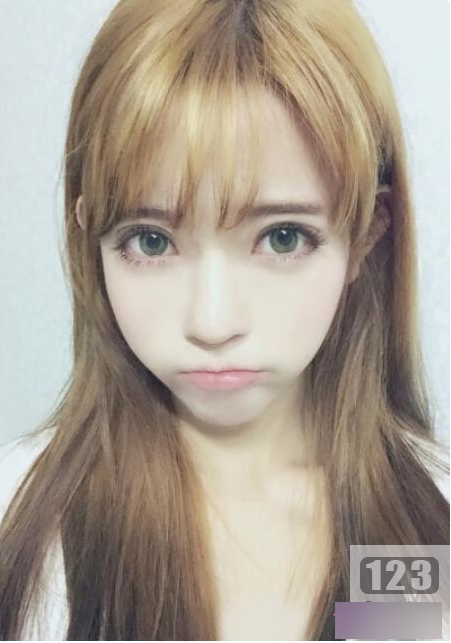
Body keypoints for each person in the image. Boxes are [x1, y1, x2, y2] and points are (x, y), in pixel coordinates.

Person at [1, 0, 449, 640]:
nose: (212, 323)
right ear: (88, 235)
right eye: (151, 241)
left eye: (283, 237)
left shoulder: (417, 521)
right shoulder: (20, 522)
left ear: (364, 235)